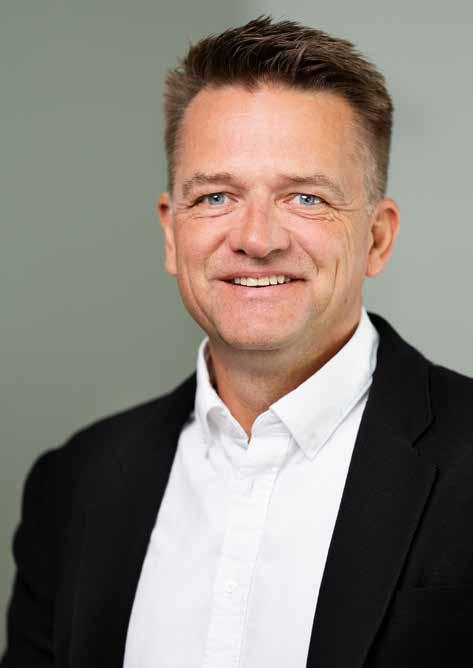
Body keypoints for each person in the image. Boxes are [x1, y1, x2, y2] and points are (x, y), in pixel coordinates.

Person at [1, 15, 472, 668]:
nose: (256, 239)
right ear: (172, 233)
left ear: (377, 238)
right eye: (217, 196)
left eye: (305, 198)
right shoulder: (74, 483)